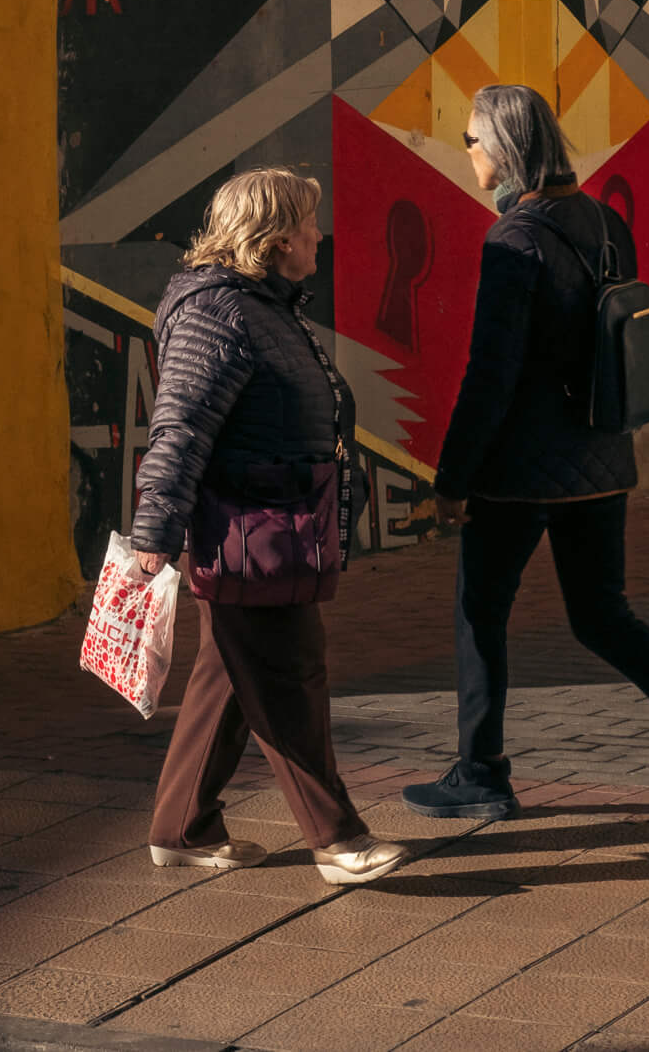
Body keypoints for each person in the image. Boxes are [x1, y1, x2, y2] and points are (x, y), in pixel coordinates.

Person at [403, 84, 649, 837]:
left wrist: (452, 481)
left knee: (480, 610)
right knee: (604, 614)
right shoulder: (605, 223)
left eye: (471, 141)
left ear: (503, 148)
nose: (465, 153)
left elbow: (489, 375)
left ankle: (481, 772)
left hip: (519, 470)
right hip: (601, 461)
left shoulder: (511, 243)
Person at [131, 168, 413, 889]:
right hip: (245, 532)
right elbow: (180, 428)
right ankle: (338, 837)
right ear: (276, 235)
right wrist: (153, 531)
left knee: (231, 672)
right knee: (289, 674)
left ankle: (181, 826)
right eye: (309, 222)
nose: (319, 234)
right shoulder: (217, 311)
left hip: (274, 526)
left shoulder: (261, 305)